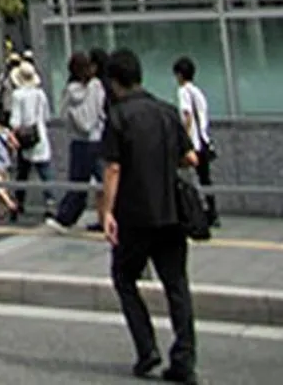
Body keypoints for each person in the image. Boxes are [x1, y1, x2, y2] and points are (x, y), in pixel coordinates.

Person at [103, 49, 198, 382]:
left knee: (124, 277)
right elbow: (191, 158)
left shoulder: (118, 116)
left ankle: (147, 349)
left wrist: (107, 212)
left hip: (134, 214)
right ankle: (184, 358)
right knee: (177, 285)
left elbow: (113, 168)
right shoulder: (167, 112)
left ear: (114, 81)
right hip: (171, 211)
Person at [50, 51, 107, 231]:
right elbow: (101, 110)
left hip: (79, 140)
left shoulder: (69, 91)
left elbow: (62, 114)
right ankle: (112, 216)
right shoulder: (97, 85)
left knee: (78, 182)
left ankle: (66, 217)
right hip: (97, 137)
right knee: (104, 180)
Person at [172, 58, 217, 229]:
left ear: (180, 75)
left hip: (193, 143)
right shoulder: (198, 92)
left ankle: (188, 211)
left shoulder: (183, 91)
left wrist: (183, 138)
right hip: (204, 142)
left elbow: (187, 115)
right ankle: (212, 212)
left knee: (181, 176)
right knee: (205, 179)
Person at [7, 58, 55, 215]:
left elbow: (15, 120)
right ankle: (50, 202)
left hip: (24, 136)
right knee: (45, 171)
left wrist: (12, 135)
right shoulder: (40, 94)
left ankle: (19, 202)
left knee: (22, 172)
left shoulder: (17, 95)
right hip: (40, 134)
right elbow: (46, 115)